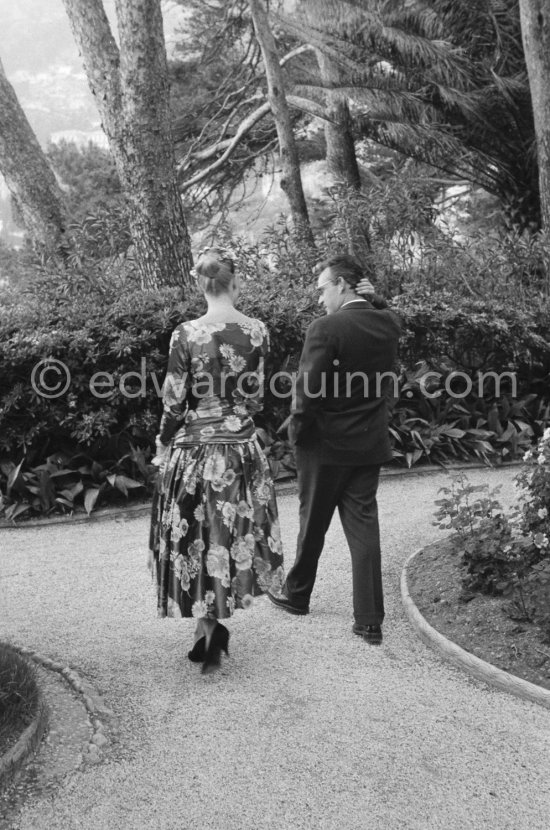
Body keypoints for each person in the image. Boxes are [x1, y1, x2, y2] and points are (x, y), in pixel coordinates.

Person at [149, 247, 284, 673]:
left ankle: (208, 626)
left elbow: (173, 400)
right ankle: (210, 626)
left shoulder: (186, 333)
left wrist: (162, 442)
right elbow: (256, 398)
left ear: (199, 283)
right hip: (241, 445)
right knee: (227, 532)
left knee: (195, 534)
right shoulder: (258, 330)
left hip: (194, 449)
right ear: (235, 281)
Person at [268, 253, 401, 645]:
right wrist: (377, 300)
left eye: (323, 288)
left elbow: (306, 392)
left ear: (342, 284)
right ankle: (369, 620)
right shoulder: (388, 323)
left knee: (313, 522)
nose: (320, 297)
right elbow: (391, 320)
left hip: (324, 445)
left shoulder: (326, 328)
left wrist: (296, 432)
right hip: (368, 443)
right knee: (364, 528)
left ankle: (297, 596)